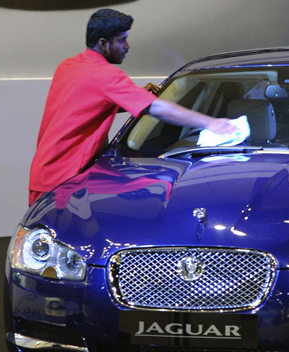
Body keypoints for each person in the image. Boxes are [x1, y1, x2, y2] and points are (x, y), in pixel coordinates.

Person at [28, 8, 238, 206]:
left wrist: (131, 98)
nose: (127, 46)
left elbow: (86, 106)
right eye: (122, 40)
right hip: (66, 180)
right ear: (104, 44)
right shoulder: (106, 76)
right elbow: (156, 109)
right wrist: (211, 122)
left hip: (45, 172)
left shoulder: (68, 66)